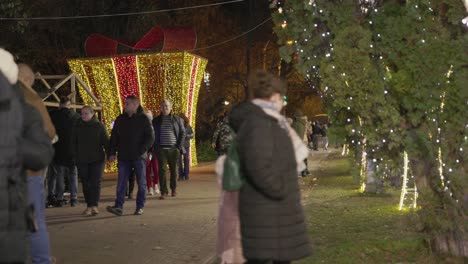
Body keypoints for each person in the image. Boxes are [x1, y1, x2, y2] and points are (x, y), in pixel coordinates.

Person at [228, 70, 311, 264]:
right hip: (267, 211)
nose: (284, 103)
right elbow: (258, 166)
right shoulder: (259, 123)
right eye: (283, 98)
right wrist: (281, 188)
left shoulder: (266, 120)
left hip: (272, 213)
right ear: (273, 97)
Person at [0, 48, 54, 264]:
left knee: (34, 223)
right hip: (25, 178)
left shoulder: (26, 104)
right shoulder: (29, 101)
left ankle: (41, 259)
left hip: (23, 179)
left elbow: (43, 147)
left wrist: (10, 145)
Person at [17, 63, 57, 264]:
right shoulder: (30, 98)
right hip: (28, 172)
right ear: (26, 79)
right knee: (34, 223)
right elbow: (49, 131)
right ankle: (41, 260)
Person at [107, 96, 154, 216]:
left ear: (135, 105)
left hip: (138, 157)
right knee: (122, 182)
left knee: (142, 183)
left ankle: (140, 206)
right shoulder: (120, 119)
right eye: (125, 103)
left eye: (127, 103)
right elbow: (114, 138)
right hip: (124, 156)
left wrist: (142, 150)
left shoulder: (143, 119)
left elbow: (150, 137)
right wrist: (111, 152)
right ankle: (118, 206)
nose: (125, 105)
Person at [71, 106, 109, 216]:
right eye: (82, 113)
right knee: (86, 183)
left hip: (97, 160)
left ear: (92, 114)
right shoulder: (77, 126)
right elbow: (73, 143)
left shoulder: (99, 126)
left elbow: (105, 141)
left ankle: (94, 205)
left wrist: (110, 154)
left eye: (86, 113)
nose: (83, 115)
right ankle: (89, 205)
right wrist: (74, 156)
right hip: (82, 160)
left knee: (95, 182)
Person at [48, 96, 80, 207]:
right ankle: (74, 198)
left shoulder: (53, 116)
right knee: (73, 175)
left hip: (58, 150)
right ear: (69, 104)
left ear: (59, 104)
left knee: (59, 175)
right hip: (73, 151)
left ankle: (60, 197)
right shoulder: (76, 117)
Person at [152, 99, 185, 199]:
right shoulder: (156, 120)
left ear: (170, 107)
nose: (165, 108)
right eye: (162, 106)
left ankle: (173, 189)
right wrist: (155, 147)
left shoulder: (177, 119)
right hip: (161, 150)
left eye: (166, 106)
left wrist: (178, 148)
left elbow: (182, 133)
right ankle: (164, 192)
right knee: (161, 171)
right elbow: (152, 135)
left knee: (174, 170)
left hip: (173, 149)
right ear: (160, 108)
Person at [144, 109, 160, 196]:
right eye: (146, 117)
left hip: (155, 152)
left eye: (149, 116)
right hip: (148, 153)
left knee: (156, 169)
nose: (148, 118)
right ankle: (149, 187)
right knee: (148, 168)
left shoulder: (155, 126)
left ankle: (156, 185)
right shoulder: (143, 127)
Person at [291, 111, 311, 176]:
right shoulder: (305, 123)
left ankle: (302, 171)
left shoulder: (294, 124)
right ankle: (306, 170)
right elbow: (310, 132)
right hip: (305, 141)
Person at [178, 114, 194, 181]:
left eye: (182, 119)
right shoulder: (176, 127)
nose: (181, 121)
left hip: (186, 146)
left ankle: (186, 174)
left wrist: (187, 136)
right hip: (178, 146)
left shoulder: (188, 127)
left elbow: (192, 135)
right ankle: (180, 175)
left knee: (186, 160)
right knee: (178, 161)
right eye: (179, 120)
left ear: (184, 120)